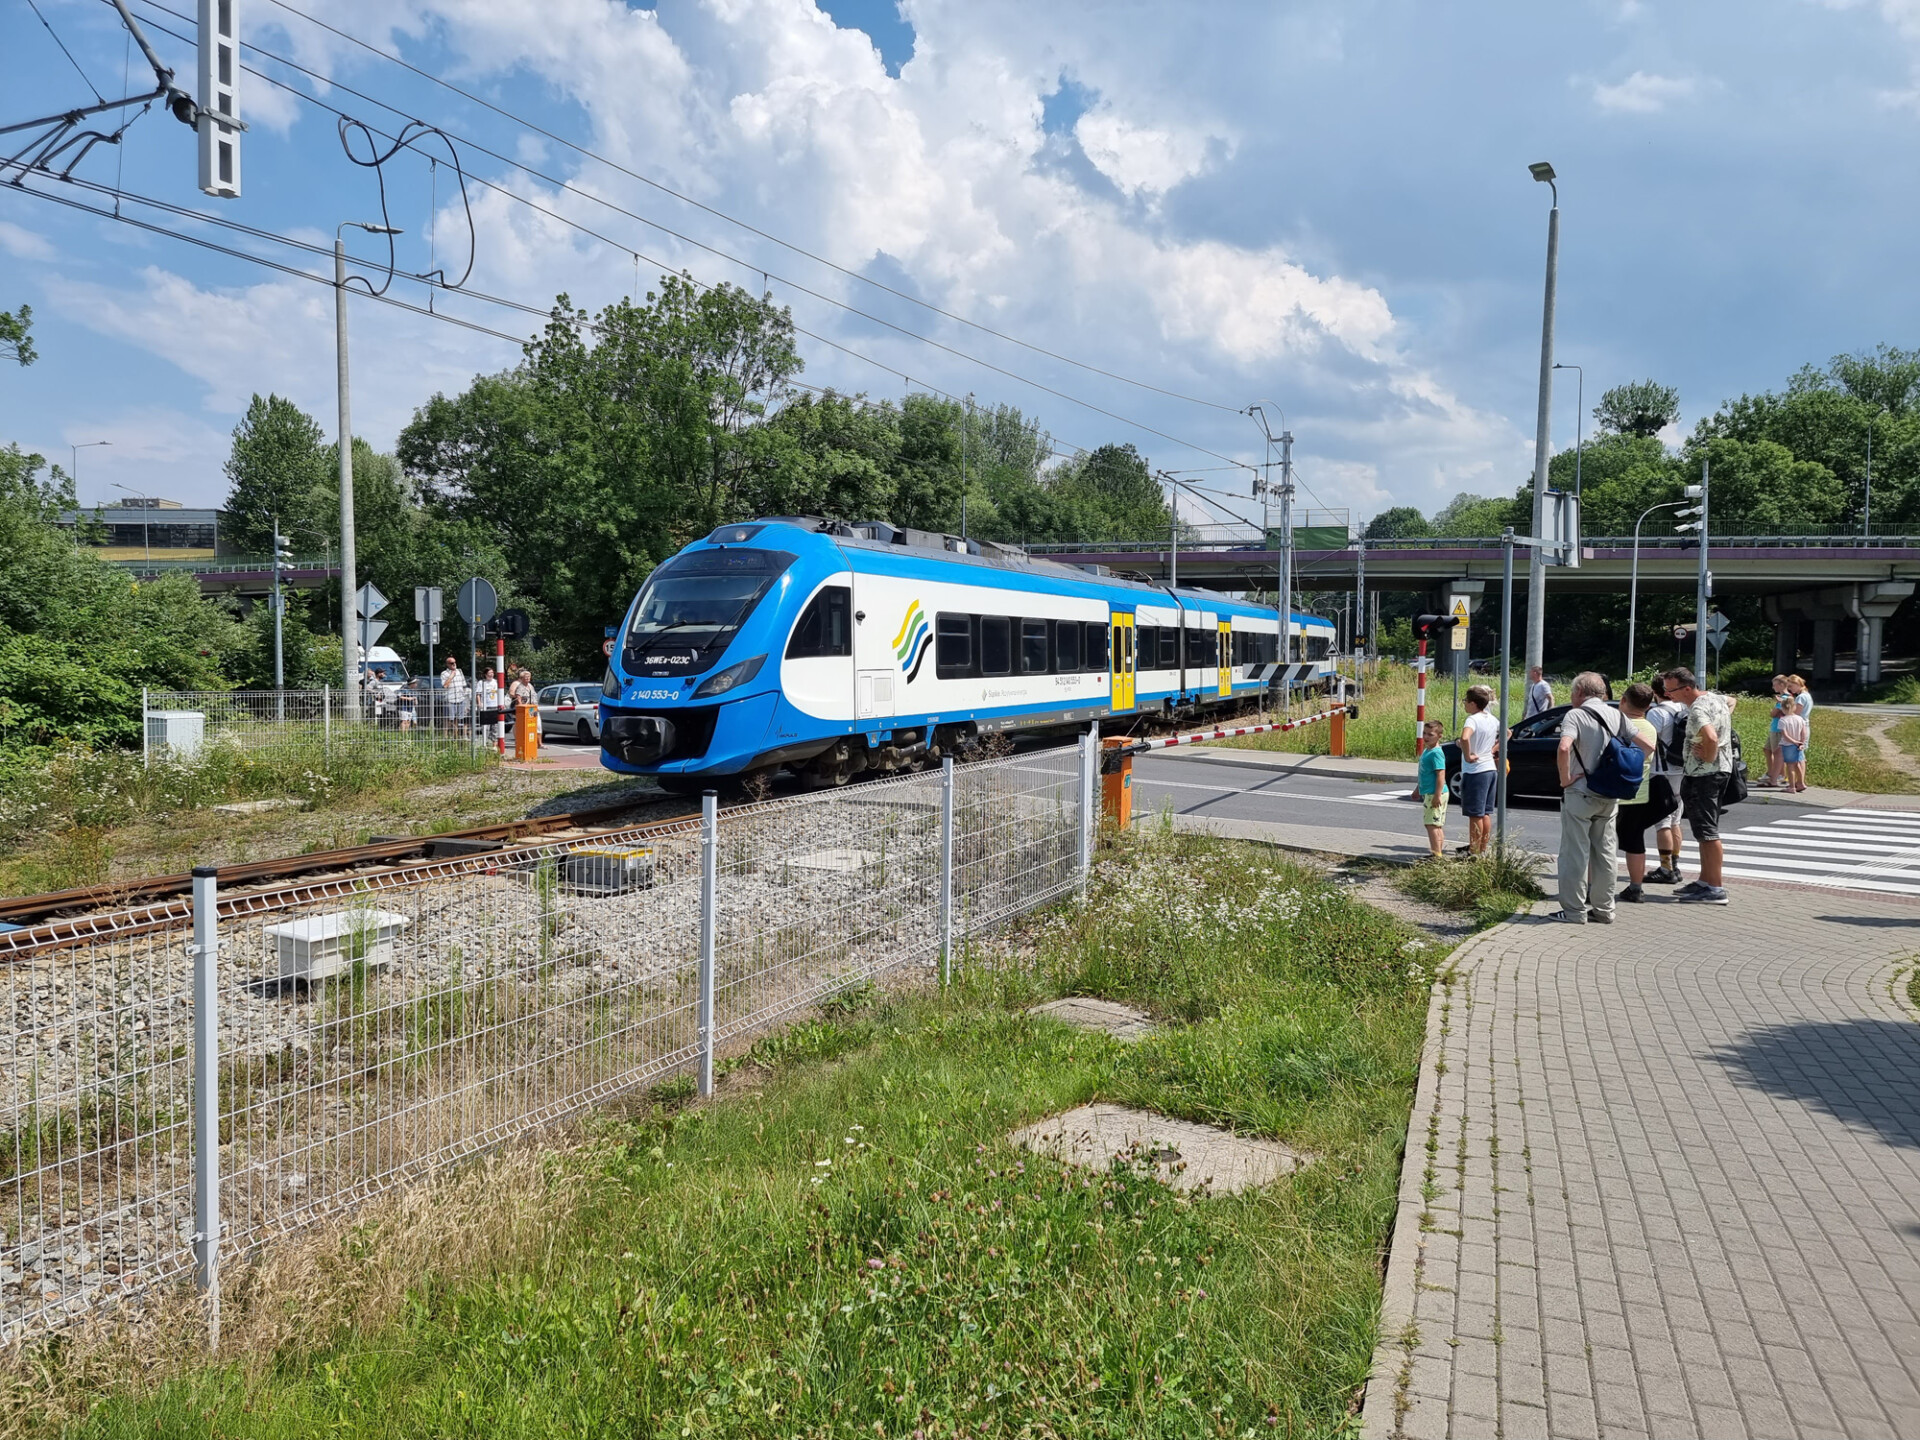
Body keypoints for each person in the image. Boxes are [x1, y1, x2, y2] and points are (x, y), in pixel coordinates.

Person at [1553, 671, 1630, 924]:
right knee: (1606, 853)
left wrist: (1565, 779)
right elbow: (1646, 746)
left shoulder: (1576, 715)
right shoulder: (1618, 715)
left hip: (1580, 792)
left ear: (1579, 693)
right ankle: (1605, 910)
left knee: (1575, 853)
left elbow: (1564, 747)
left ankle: (1574, 912)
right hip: (1609, 794)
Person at [1662, 667, 1734, 906]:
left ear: (1686, 688)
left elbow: (1711, 737)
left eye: (1670, 690)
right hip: (1718, 771)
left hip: (1705, 774)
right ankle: (1705, 881)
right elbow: (1732, 701)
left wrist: (1708, 753)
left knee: (1707, 831)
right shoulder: (1714, 698)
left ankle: (1715, 888)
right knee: (1703, 831)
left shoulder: (1697, 709)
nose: (1666, 694)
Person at [1611, 683, 1668, 903]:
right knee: (1635, 842)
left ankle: (1595, 886)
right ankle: (1636, 887)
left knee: (1602, 842)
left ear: (1623, 701)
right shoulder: (1649, 728)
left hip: (1614, 792)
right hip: (1640, 791)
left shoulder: (1617, 725)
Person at [1645, 675, 1689, 885]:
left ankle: (1665, 868)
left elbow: (1648, 742)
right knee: (1675, 820)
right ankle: (1676, 866)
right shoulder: (1682, 708)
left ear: (1655, 693)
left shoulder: (1656, 713)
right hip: (1681, 770)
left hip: (1661, 772)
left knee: (1662, 822)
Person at [1458, 684, 1499, 856]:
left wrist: (1467, 755)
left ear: (1474, 704)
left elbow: (1465, 737)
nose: (1465, 704)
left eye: (1466, 701)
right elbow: (1508, 733)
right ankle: (1482, 849)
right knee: (1486, 813)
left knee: (1475, 814)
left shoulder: (1472, 719)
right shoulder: (1492, 718)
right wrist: (1493, 749)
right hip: (1490, 768)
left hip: (1475, 771)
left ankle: (1474, 852)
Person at [1417, 720, 1449, 857]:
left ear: (1439, 736)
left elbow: (1441, 774)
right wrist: (1417, 789)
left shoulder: (1436, 753)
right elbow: (1425, 773)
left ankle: (1436, 855)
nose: (1426, 737)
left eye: (1430, 734)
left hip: (1434, 793)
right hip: (1430, 792)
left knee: (1432, 825)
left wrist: (1437, 795)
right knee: (1436, 824)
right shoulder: (1427, 751)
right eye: (1424, 733)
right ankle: (1437, 852)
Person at [1760, 675, 1790, 787]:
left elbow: (1774, 713)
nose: (1773, 687)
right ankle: (1771, 771)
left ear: (1782, 685)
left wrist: (1776, 709)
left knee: (1777, 753)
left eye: (1775, 685)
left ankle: (1781, 774)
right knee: (1767, 749)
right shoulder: (1781, 698)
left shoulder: (1786, 698)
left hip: (1778, 729)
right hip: (1774, 727)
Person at [1779, 702, 1809, 792]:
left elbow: (1785, 735)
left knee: (1790, 766)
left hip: (1788, 745)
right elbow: (1804, 732)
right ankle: (1801, 783)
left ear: (1783, 709)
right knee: (1798, 764)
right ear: (1794, 707)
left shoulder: (1783, 720)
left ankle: (1792, 787)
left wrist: (1794, 742)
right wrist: (1801, 742)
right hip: (1799, 744)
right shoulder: (1800, 719)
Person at [440, 654, 469, 735]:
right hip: (450, 699)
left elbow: (464, 685)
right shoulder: (444, 673)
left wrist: (465, 698)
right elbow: (445, 685)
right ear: (447, 664)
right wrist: (451, 676)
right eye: (452, 663)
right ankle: (445, 736)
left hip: (460, 698)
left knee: (458, 719)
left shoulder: (459, 671)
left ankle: (455, 736)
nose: (454, 664)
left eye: (455, 662)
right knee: (449, 719)